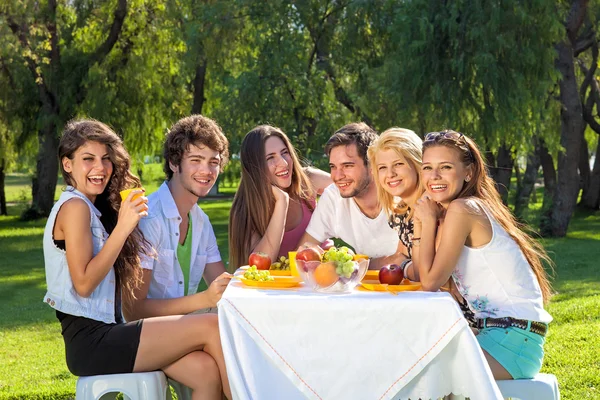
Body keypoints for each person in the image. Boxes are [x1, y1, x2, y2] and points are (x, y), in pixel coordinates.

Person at [43, 119, 231, 400]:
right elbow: (83, 284)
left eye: (106, 159)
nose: (100, 167)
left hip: (110, 332)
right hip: (93, 341)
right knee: (212, 325)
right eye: (88, 159)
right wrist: (124, 227)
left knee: (204, 372)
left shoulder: (89, 209)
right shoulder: (74, 208)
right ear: (67, 164)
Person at [412, 129, 553, 380]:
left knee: (420, 376)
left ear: (468, 172)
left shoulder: (463, 209)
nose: (434, 176)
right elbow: (433, 277)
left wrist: (425, 223)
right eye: (427, 168)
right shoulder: (459, 210)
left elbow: (429, 282)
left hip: (513, 343)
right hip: (498, 335)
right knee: (411, 362)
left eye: (445, 167)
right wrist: (425, 223)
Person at [298, 122, 405, 269]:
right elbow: (302, 253)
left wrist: (356, 265)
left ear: (372, 165)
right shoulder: (333, 197)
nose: (337, 176)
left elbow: (405, 260)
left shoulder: (400, 193)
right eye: (333, 167)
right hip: (367, 287)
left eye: (347, 166)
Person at [228, 125, 331, 269]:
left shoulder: (308, 180)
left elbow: (353, 189)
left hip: (327, 275)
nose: (283, 163)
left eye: (285, 153)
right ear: (254, 167)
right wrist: (282, 202)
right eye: (270, 157)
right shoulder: (245, 210)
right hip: (282, 288)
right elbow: (260, 266)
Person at [367, 127, 423, 276]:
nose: (390, 174)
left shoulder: (435, 208)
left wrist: (404, 266)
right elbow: (401, 257)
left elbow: (422, 272)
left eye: (398, 164)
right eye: (383, 168)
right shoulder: (403, 211)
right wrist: (355, 265)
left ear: (417, 163)